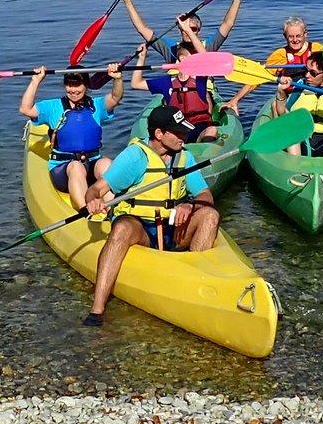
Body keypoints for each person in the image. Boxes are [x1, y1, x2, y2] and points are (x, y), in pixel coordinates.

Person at [81, 106, 219, 326]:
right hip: (141, 227)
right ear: (159, 134)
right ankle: (97, 309)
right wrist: (93, 200)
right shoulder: (135, 157)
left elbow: (204, 194)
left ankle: (198, 289)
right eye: (178, 132)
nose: (184, 136)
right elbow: (96, 189)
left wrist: (189, 206)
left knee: (210, 215)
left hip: (172, 228)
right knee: (122, 228)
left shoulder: (185, 157)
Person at [18, 64, 125, 206]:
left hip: (91, 163)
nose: (73, 90)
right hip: (63, 169)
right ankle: (85, 211)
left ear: (86, 85)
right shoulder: (54, 107)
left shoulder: (96, 105)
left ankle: (113, 209)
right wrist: (36, 80)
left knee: (106, 163)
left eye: (78, 85)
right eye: (69, 85)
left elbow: (115, 97)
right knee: (76, 167)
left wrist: (117, 79)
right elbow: (25, 109)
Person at [118, 0, 245, 59]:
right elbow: (142, 29)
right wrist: (128, 1)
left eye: (192, 29)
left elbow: (228, 24)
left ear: (198, 31)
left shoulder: (209, 45)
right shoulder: (171, 49)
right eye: (183, 29)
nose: (187, 32)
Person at [226, 14, 318, 112]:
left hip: (316, 92)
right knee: (275, 105)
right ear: (285, 36)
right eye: (290, 37)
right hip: (290, 97)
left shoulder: (317, 49)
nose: (295, 40)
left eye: (298, 36)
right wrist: (235, 99)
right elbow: (259, 78)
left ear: (305, 34)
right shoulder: (280, 55)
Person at [133, 56, 223, 142]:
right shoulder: (166, 82)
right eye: (194, 57)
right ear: (182, 59)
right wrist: (142, 57)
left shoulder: (200, 80)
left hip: (200, 127)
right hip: (176, 128)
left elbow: (208, 61)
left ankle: (205, 151)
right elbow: (136, 83)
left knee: (212, 130)